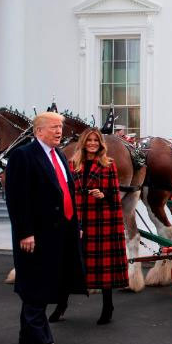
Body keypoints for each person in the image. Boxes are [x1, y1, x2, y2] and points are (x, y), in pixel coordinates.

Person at [5, 111, 87, 344]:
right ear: (38, 131)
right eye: (53, 127)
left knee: (39, 283)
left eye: (60, 127)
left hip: (60, 233)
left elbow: (66, 192)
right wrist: (25, 232)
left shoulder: (59, 156)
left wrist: (75, 225)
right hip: (36, 235)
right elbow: (17, 199)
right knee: (36, 287)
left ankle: (26, 334)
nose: (59, 131)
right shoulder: (22, 156)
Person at [59, 128, 128, 325]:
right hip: (78, 219)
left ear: (100, 144)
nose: (92, 143)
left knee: (102, 266)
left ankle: (108, 307)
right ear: (83, 142)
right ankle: (61, 305)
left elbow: (115, 197)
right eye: (89, 140)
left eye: (95, 141)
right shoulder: (73, 165)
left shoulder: (108, 165)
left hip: (100, 221)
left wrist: (103, 195)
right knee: (70, 264)